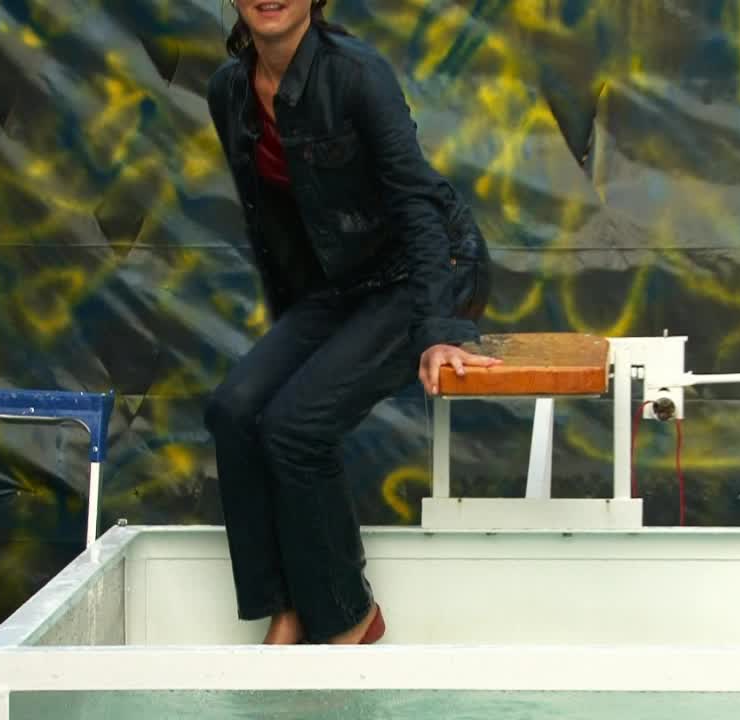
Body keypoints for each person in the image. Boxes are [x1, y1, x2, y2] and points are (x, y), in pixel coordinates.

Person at [202, 0, 501, 645]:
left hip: (429, 271)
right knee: (233, 410)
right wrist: (292, 337)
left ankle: (349, 617)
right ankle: (286, 608)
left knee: (294, 427)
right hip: (339, 284)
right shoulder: (229, 91)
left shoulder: (357, 74)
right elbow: (270, 222)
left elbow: (416, 201)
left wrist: (440, 328)